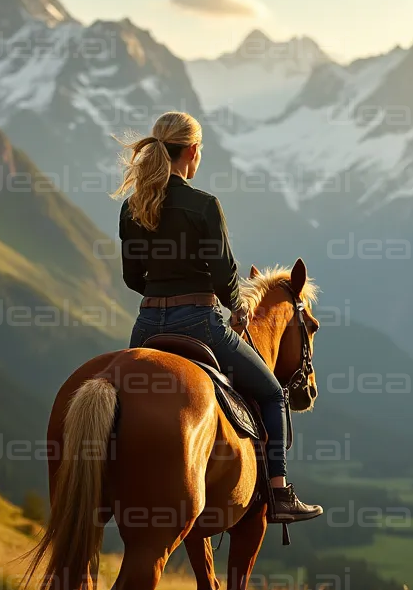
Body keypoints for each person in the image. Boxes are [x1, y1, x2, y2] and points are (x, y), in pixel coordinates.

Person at [113, 111, 322, 523]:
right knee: (271, 394)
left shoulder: (132, 208)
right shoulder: (204, 206)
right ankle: (279, 494)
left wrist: (162, 297)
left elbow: (132, 277)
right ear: (192, 152)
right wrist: (237, 307)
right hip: (200, 325)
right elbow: (226, 273)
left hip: (146, 326)